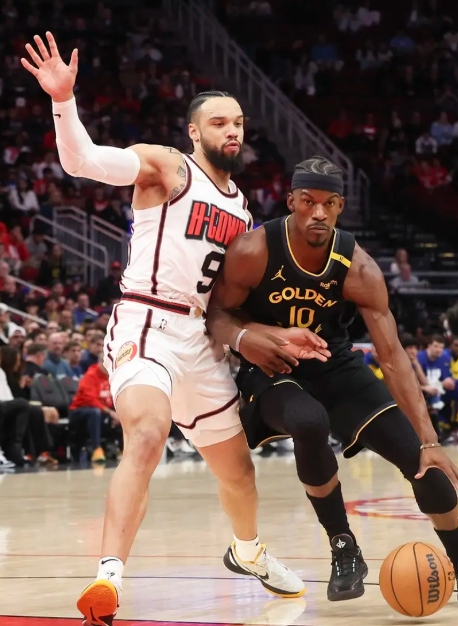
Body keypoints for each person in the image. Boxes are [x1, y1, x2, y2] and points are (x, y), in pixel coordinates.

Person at [22, 31, 306, 625]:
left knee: (239, 472)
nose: (233, 131)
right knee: (148, 434)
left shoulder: (243, 209)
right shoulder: (168, 167)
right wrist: (63, 101)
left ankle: (248, 552)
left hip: (203, 340)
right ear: (195, 132)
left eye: (239, 123)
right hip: (147, 321)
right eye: (219, 123)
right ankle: (108, 578)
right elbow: (82, 161)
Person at [206, 156, 458, 609]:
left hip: (333, 362)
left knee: (420, 459)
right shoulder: (254, 250)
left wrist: (429, 438)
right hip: (271, 367)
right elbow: (216, 315)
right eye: (308, 202)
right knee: (308, 422)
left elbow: (393, 356)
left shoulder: (358, 266)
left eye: (329, 204)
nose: (318, 213)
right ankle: (343, 546)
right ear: (291, 201)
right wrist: (251, 338)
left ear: (341, 206)